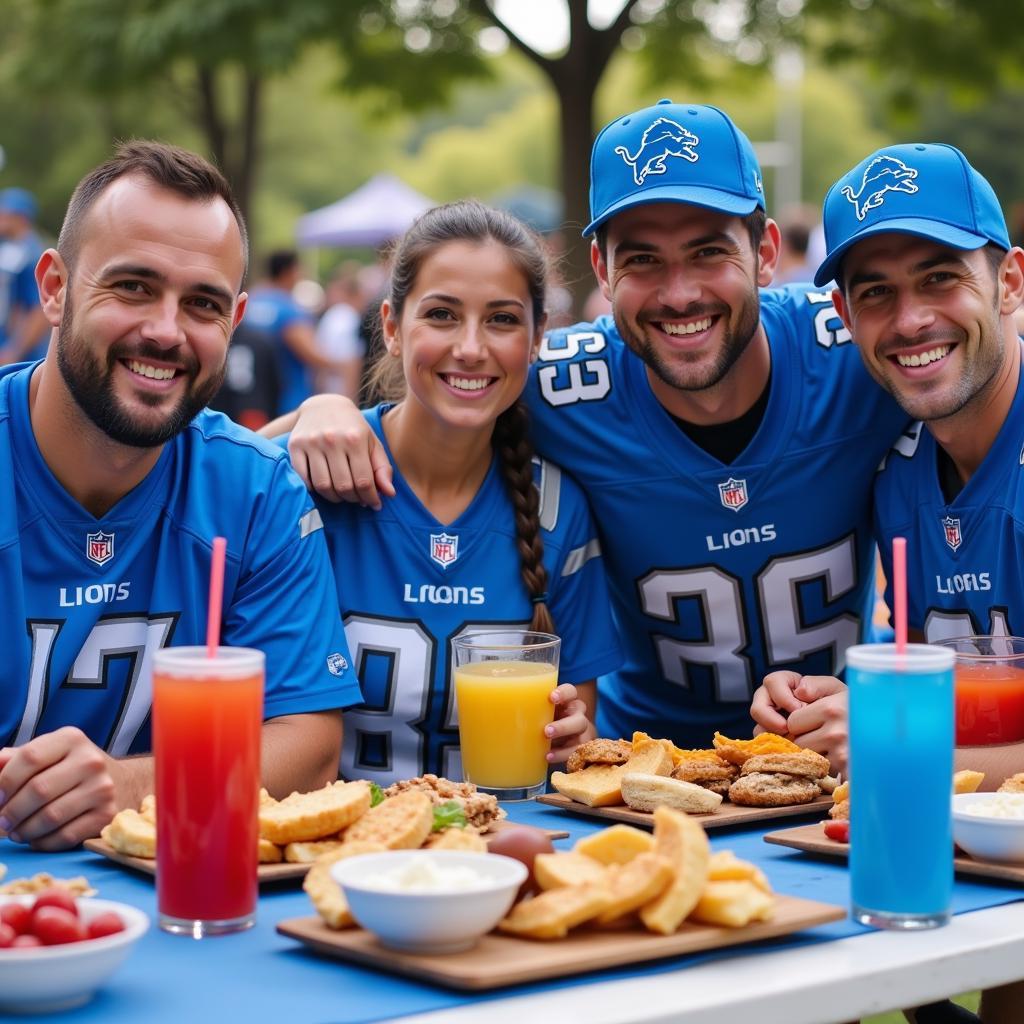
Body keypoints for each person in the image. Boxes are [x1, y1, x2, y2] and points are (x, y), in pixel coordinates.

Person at [277, 100, 910, 750]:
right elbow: (438, 387)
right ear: (603, 271)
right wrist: (323, 410)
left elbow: (977, 357)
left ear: (767, 251)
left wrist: (883, 705)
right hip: (641, 770)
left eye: (708, 252)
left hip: (832, 757)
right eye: (642, 261)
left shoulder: (857, 353)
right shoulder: (554, 381)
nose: (680, 292)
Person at [0, 141, 361, 852]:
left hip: (188, 900)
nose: (166, 332)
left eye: (202, 303)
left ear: (236, 318)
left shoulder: (255, 488)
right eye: (133, 287)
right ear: (53, 287)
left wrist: (130, 787)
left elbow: (310, 744)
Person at [751, 143, 1024, 1024]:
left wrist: (895, 742)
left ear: (1010, 283)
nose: (909, 319)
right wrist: (840, 707)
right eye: (876, 292)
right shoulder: (899, 459)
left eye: (940, 278)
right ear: (844, 313)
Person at [267, 200, 619, 785]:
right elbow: (209, 465)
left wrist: (576, 741)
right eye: (442, 315)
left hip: (498, 847)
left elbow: (578, 741)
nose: (472, 347)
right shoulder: (312, 474)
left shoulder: (559, 508)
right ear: (391, 327)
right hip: (337, 849)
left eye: (503, 319)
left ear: (537, 339)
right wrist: (310, 410)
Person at [245, 250, 352, 417]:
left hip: (250, 394)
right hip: (287, 400)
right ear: (290, 271)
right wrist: (345, 366)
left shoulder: (252, 300)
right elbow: (311, 354)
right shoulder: (288, 309)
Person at [0, 187, 50, 365]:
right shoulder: (9, 248)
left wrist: (14, 351)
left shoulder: (33, 254)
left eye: (5, 215)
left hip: (22, 357)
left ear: (20, 218)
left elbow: (40, 311)